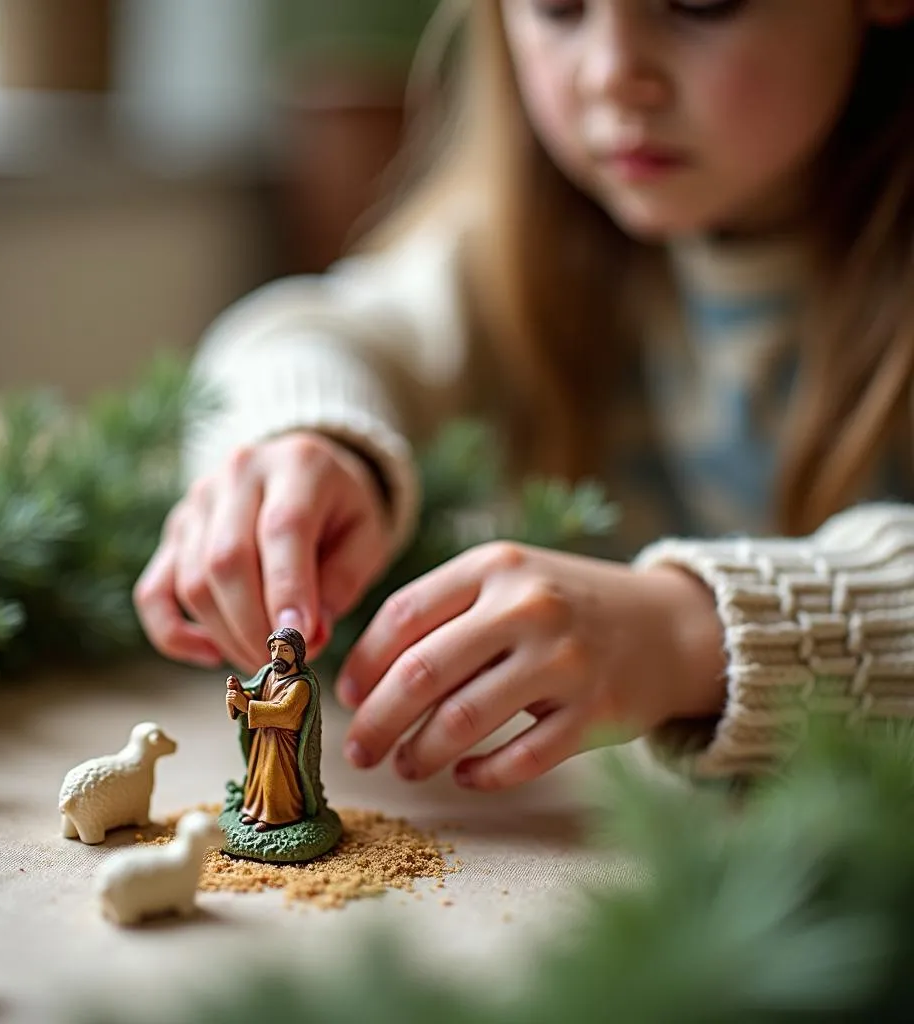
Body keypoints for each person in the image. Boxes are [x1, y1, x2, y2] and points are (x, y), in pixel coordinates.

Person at [135, 0, 914, 789]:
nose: (613, 75)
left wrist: (690, 634)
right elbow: (317, 330)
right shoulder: (521, 247)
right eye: (558, 8)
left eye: (698, 4)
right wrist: (310, 439)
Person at [225, 627, 326, 832]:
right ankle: (255, 810)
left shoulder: (300, 685)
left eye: (284, 650)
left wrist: (248, 707)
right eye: (273, 649)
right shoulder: (269, 675)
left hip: (282, 743)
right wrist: (239, 693)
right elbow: (257, 696)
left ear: (297, 653)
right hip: (263, 736)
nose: (277, 655)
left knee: (274, 778)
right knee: (259, 775)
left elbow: (285, 713)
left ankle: (277, 816)